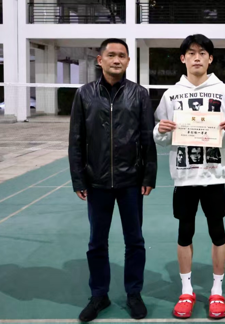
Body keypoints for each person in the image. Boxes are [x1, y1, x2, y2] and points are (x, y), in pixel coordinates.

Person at [153, 34, 225, 319]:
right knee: (185, 233)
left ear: (210, 58)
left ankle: (217, 291)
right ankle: (187, 290)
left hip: (214, 175)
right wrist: (160, 130)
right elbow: (160, 135)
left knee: (218, 232)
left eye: (202, 53)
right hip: (184, 176)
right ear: (183, 58)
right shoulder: (171, 95)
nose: (197, 57)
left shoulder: (223, 92)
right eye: (191, 53)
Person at [68, 38, 157, 322]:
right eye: (111, 55)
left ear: (128, 61)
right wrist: (79, 178)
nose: (116, 60)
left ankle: (134, 293)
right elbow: (76, 139)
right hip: (97, 182)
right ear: (100, 60)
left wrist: (148, 174)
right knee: (97, 242)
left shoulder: (139, 94)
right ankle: (99, 295)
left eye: (122, 55)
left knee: (135, 241)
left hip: (131, 181)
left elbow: (147, 137)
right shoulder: (84, 94)